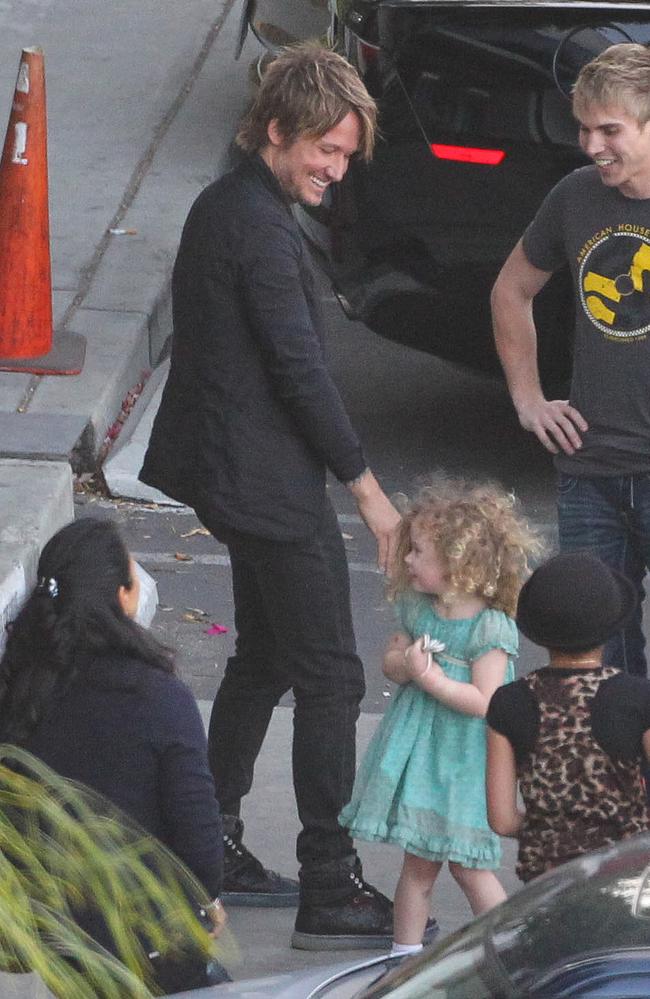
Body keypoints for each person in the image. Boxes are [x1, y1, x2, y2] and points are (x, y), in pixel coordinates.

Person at [138, 42, 402, 949]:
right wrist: (366, 488)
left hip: (235, 472)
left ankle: (206, 838)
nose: (335, 169)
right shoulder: (253, 225)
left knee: (264, 658)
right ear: (277, 128)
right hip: (264, 480)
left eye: (345, 154)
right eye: (325, 150)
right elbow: (298, 370)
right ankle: (330, 882)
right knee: (332, 673)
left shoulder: (234, 203)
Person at [0, 517, 228, 993]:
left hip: (62, 948)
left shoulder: (20, 696)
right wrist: (201, 906)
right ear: (123, 596)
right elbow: (202, 860)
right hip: (153, 946)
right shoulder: (161, 699)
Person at [491, 43, 650, 678]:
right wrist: (527, 400)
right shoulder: (576, 198)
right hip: (592, 469)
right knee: (594, 659)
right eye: (585, 129)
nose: (592, 145)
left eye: (610, 129)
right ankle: (612, 777)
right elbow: (511, 290)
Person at [339, 476, 541, 955]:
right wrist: (404, 667)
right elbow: (392, 658)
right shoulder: (419, 608)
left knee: (468, 866)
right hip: (423, 754)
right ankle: (404, 955)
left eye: (418, 552)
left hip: (466, 758)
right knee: (419, 863)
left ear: (457, 563)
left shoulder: (489, 626)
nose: (406, 559)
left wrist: (431, 680)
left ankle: (514, 951)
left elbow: (488, 700)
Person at [486, 550, 650, 884]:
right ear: (610, 626)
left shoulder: (509, 703)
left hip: (548, 883)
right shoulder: (638, 698)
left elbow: (502, 820)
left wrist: (557, 829)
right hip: (627, 874)